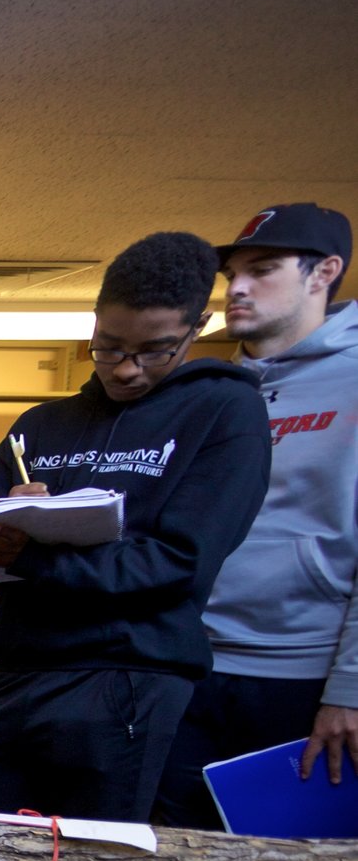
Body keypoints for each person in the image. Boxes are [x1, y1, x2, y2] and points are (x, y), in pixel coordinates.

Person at [0, 232, 270, 821]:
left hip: (127, 682)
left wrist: (34, 559)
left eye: (154, 351)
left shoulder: (225, 412)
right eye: (108, 347)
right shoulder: (43, 423)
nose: (125, 369)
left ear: (197, 328)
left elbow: (178, 563)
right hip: (14, 675)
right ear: (92, 322)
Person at [155, 204, 357, 824]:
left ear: (324, 272)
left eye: (262, 270)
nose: (237, 288)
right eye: (232, 274)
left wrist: (350, 690)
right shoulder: (211, 391)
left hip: (301, 678)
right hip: (188, 665)